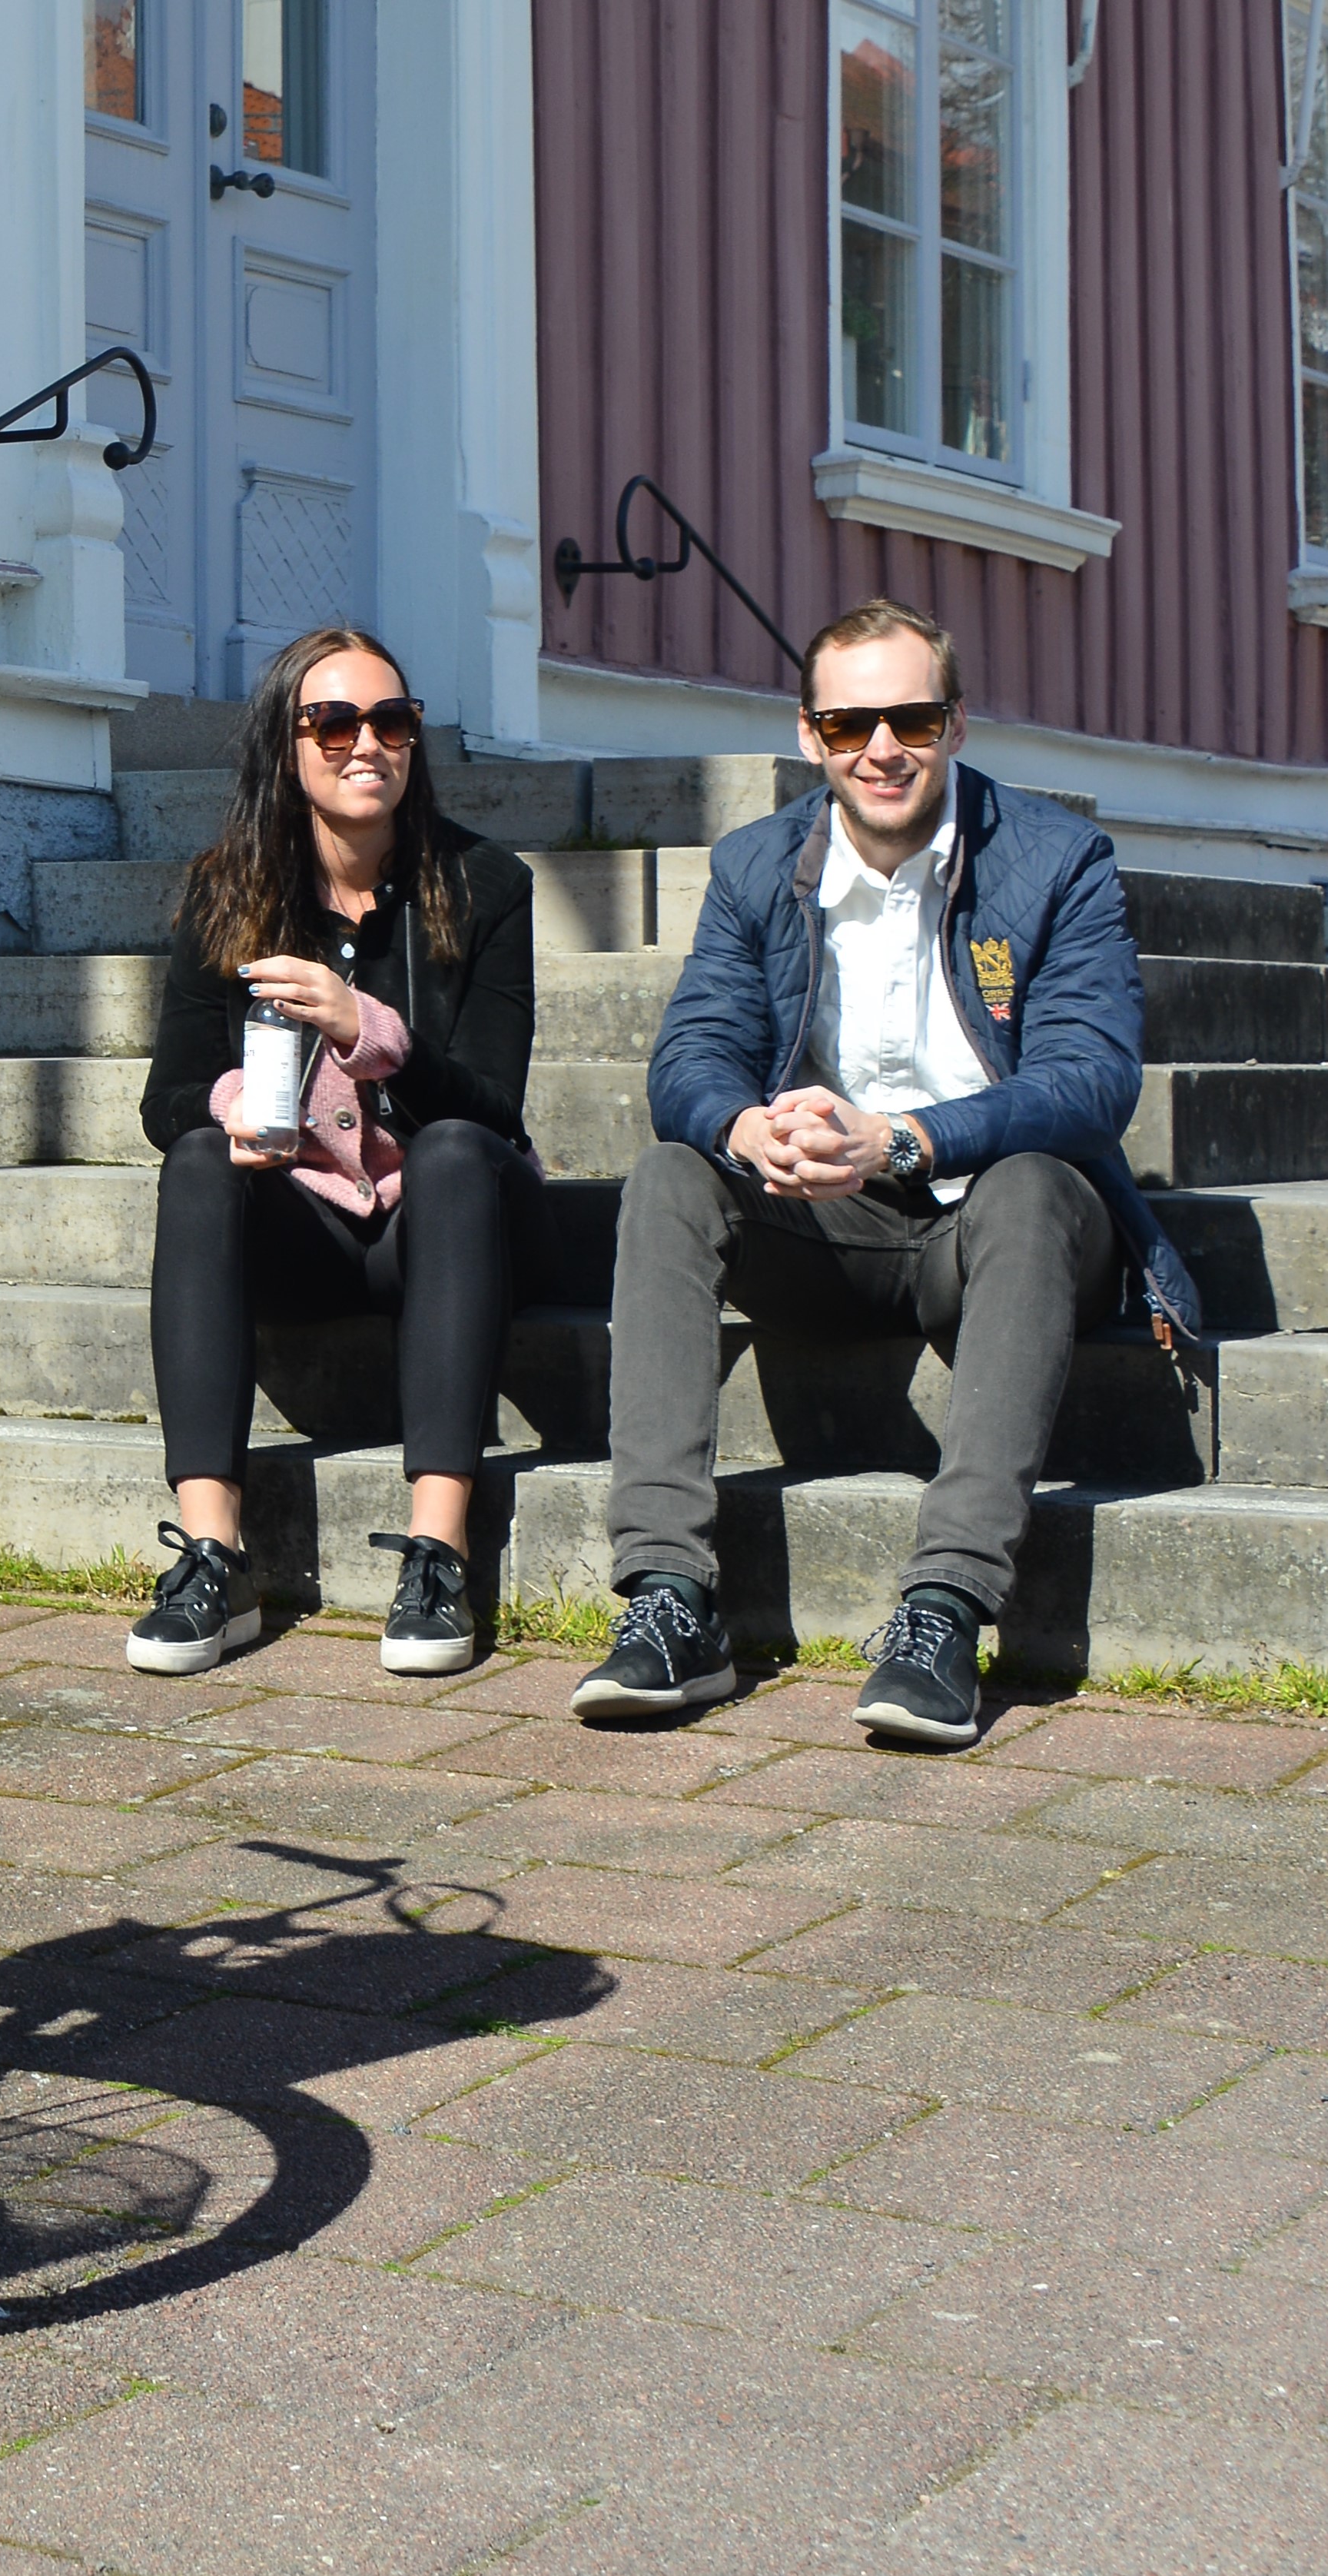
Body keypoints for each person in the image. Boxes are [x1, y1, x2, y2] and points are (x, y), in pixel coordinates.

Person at [573, 595, 1203, 1747]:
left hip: (999, 1226)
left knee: (1029, 1180)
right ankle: (669, 1599)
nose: (881, 748)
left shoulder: (1056, 859)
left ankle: (944, 1610)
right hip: (832, 1225)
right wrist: (748, 1129)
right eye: (848, 723)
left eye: (910, 718)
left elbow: (1092, 1079)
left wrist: (904, 1137)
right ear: (808, 734)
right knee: (671, 1174)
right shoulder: (757, 864)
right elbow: (691, 1056)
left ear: (954, 723)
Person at [127, 627, 543, 1677]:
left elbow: (496, 1106)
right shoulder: (226, 891)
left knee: (454, 1151)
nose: (367, 744)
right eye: (333, 722)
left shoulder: (487, 884)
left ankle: (439, 1553)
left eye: (390, 721)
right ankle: (213, 1556)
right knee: (194, 1162)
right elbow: (165, 1099)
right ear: (287, 743)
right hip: (302, 1230)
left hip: (442, 1228)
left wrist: (371, 1031)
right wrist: (235, 1107)